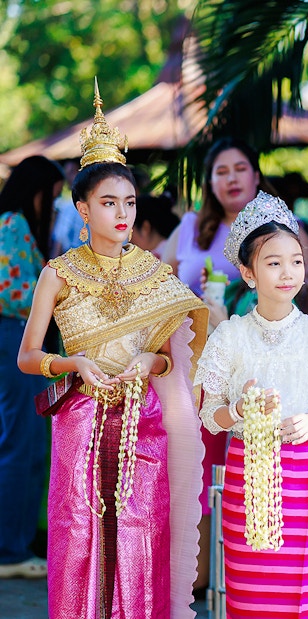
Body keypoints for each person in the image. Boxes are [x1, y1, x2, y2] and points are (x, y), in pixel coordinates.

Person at [17, 82, 208, 619]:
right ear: (82, 208)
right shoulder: (58, 274)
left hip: (141, 418)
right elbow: (27, 357)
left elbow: (177, 353)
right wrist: (72, 363)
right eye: (108, 202)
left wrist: (155, 361)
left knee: (140, 533)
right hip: (79, 416)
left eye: (129, 202)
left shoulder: (154, 272)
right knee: (79, 534)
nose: (122, 213)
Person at [162, 136, 308, 591]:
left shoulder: (283, 226)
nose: (231, 178)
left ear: (255, 175)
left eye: (240, 168)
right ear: (210, 182)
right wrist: (183, 292)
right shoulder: (192, 226)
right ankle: (191, 580)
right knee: (191, 475)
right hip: (196, 367)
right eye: (221, 171)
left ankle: (237, 573)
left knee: (241, 472)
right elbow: (156, 284)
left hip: (261, 367)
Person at [194, 191, 308, 618]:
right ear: (248, 273)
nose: (288, 272)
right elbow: (209, 416)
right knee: (249, 598)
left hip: (303, 478)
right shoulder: (229, 336)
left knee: (300, 599)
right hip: (245, 477)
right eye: (273, 262)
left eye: (296, 261)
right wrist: (238, 412)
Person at [0, 155, 64, 579]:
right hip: (14, 337)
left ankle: (17, 544)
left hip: (18, 339)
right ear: (36, 190)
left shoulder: (10, 223)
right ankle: (11, 550)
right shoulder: (11, 224)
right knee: (21, 444)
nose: (52, 206)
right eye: (53, 197)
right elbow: (12, 292)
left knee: (23, 443)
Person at [131, 190, 180, 258]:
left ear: (145, 228)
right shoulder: (176, 249)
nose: (129, 241)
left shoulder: (158, 259)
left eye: (130, 234)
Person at [50, 159, 82, 257]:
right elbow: (59, 241)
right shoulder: (67, 206)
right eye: (67, 173)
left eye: (72, 172)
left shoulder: (69, 207)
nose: (68, 177)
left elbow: (59, 242)